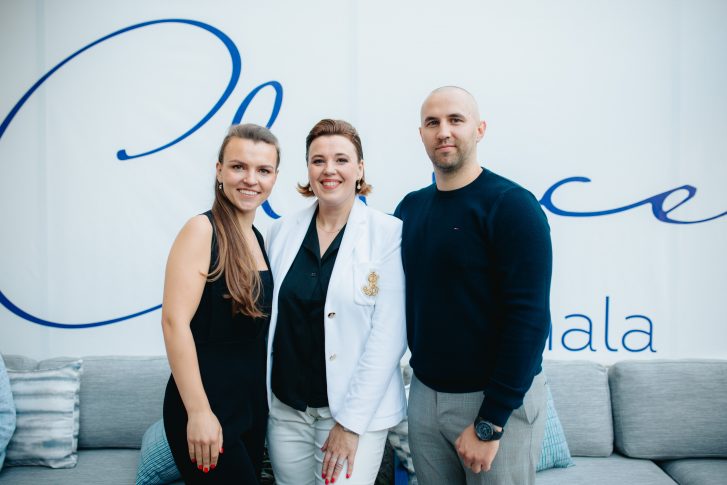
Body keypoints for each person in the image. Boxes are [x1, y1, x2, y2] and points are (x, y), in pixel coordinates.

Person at [394, 86, 552, 485]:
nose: (443, 131)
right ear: (421, 134)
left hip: (493, 402)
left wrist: (491, 421)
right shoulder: (410, 209)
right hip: (424, 396)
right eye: (433, 122)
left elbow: (530, 318)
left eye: (456, 120)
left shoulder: (512, 205)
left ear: (479, 129)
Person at [265, 119, 407, 485]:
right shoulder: (280, 232)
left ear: (360, 169)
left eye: (341, 160)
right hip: (287, 411)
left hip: (352, 414)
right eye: (318, 160)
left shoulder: (388, 233)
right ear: (308, 170)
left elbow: (389, 338)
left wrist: (350, 424)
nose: (329, 169)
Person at [162, 124, 280, 484]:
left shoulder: (258, 238)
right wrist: (199, 411)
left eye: (263, 170)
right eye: (238, 167)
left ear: (274, 178)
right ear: (219, 171)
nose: (250, 179)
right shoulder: (201, 229)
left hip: (250, 406)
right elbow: (174, 323)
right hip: (207, 406)